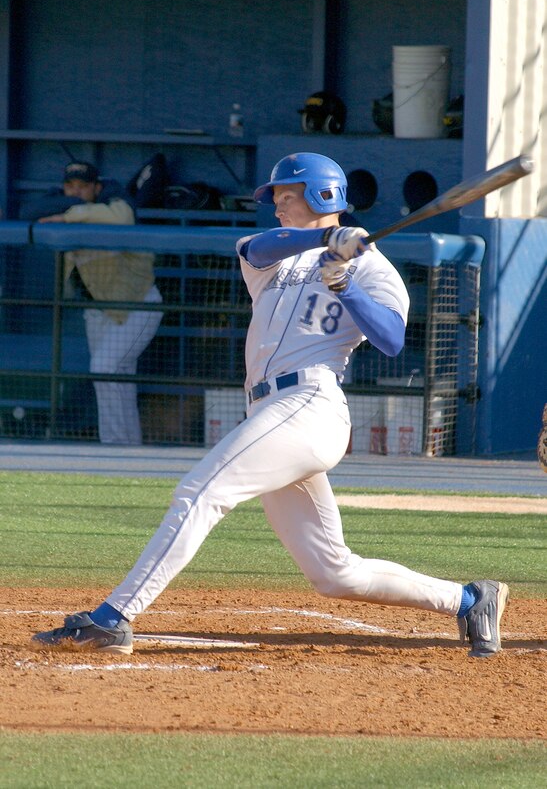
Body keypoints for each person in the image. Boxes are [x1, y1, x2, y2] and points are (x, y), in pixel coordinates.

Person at [31, 152, 508, 658]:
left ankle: (113, 617)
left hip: (310, 403)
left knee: (199, 492)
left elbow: (391, 338)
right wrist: (326, 239)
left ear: (323, 196)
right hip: (268, 412)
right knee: (333, 572)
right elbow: (258, 247)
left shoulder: (374, 268)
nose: (276, 206)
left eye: (286, 196)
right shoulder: (273, 254)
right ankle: (469, 599)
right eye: (276, 197)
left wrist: (345, 283)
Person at [24, 161, 163, 445]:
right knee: (114, 378)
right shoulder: (59, 203)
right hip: (98, 310)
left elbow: (123, 217)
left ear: (96, 187)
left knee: (105, 367)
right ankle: (126, 447)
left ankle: (115, 446)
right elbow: (28, 212)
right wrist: (68, 210)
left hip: (139, 305)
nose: (76, 192)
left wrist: (69, 215)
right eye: (70, 186)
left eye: (83, 186)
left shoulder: (112, 202)